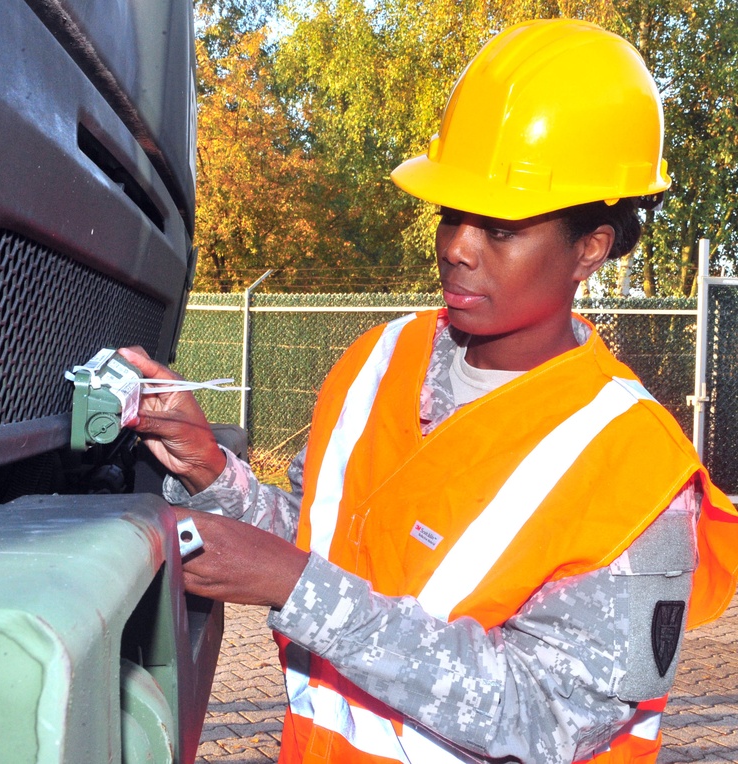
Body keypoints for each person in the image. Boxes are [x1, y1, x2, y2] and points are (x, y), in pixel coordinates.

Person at [120, 18, 738, 764]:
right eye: (451, 213)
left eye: (500, 226)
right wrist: (214, 476)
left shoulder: (637, 471)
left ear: (591, 247)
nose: (457, 246)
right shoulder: (378, 362)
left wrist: (296, 586)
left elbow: (549, 716)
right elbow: (331, 547)